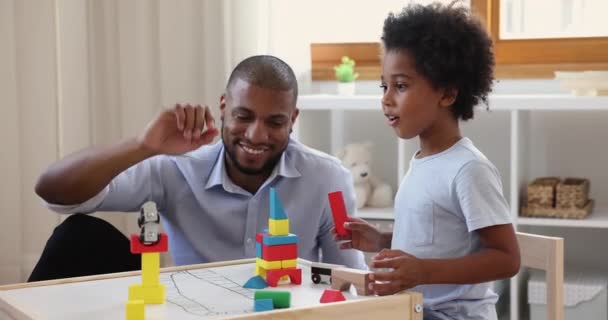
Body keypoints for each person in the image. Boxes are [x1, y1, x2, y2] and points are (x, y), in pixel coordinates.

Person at [35, 55, 366, 274]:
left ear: (293, 119)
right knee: (79, 236)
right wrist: (142, 146)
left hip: (284, 309)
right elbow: (56, 193)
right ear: (223, 106)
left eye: (275, 122)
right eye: (243, 116)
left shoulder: (326, 177)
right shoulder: (176, 166)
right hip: (192, 312)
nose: (256, 134)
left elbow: (348, 278)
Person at [334, 3, 520, 319]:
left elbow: (506, 258)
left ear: (447, 94)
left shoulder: (469, 169)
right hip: (419, 310)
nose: (386, 98)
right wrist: (381, 240)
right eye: (385, 85)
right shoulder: (422, 161)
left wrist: (422, 272)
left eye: (401, 85)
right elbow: (440, 241)